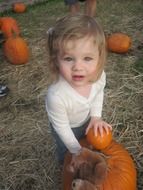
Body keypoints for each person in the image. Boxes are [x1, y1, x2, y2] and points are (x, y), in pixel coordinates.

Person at [45, 14, 112, 165]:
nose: (78, 67)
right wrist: (76, 151)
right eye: (68, 59)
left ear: (99, 58)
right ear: (56, 60)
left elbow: (98, 94)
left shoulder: (99, 77)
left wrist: (96, 117)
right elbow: (62, 127)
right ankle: (65, 167)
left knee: (88, 143)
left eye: (87, 58)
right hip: (67, 127)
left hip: (87, 119)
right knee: (68, 153)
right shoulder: (57, 95)